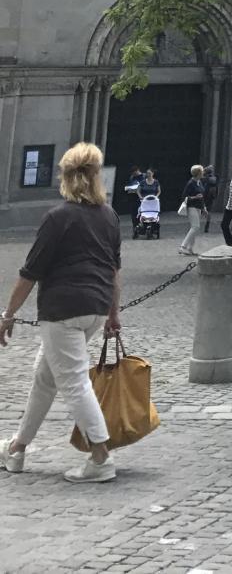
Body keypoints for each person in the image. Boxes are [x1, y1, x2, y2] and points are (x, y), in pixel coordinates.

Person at [0, 142, 122, 482]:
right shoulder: (109, 216)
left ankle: (100, 457)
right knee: (46, 377)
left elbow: (30, 272)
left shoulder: (57, 218)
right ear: (97, 178)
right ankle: (16, 449)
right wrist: (113, 314)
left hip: (62, 309)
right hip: (95, 309)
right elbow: (113, 271)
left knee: (73, 382)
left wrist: (7, 315)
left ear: (66, 178)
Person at [178, 163, 205, 256]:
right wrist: (195, 197)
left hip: (198, 207)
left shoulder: (199, 182)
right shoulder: (190, 183)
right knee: (195, 227)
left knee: (194, 227)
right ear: (198, 173)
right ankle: (183, 246)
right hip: (191, 207)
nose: (203, 173)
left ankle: (190, 248)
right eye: (202, 172)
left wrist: (204, 207)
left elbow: (202, 196)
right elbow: (184, 197)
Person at [201, 165, 218, 234]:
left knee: (200, 210)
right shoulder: (215, 178)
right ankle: (207, 225)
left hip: (204, 196)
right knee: (209, 211)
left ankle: (196, 224)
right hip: (211, 197)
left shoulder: (204, 178)